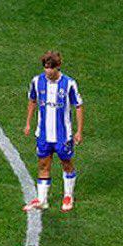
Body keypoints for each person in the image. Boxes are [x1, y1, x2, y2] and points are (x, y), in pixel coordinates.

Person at [22, 51, 83, 212]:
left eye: (51, 68)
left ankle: (68, 195)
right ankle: (42, 200)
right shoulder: (37, 81)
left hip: (63, 135)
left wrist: (78, 131)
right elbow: (32, 101)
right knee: (43, 164)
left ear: (58, 67)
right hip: (43, 134)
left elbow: (78, 106)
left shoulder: (69, 83)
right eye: (45, 68)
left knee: (66, 163)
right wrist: (28, 123)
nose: (48, 71)